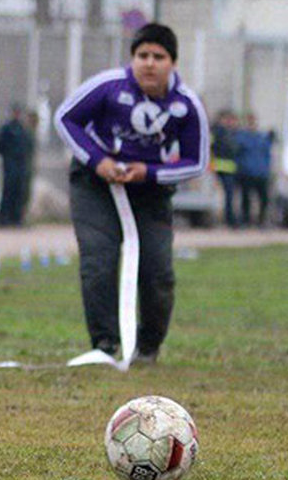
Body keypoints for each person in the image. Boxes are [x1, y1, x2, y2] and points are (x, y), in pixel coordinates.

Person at [54, 23, 208, 365]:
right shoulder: (109, 87)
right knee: (99, 260)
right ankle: (105, 345)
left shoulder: (186, 105)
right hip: (95, 185)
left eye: (158, 56)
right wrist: (98, 161)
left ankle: (148, 347)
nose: (149, 63)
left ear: (172, 63)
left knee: (158, 271)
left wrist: (149, 172)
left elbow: (196, 161)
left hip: (150, 192)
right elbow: (65, 119)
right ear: (132, 59)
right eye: (142, 55)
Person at [0, 104, 34, 227]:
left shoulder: (23, 129)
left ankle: (16, 219)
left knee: (19, 193)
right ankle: (4, 219)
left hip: (21, 166)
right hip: (10, 166)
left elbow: (28, 148)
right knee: (8, 192)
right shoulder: (7, 128)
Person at [236, 113, 273, 228]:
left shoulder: (261, 137)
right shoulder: (242, 137)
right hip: (247, 172)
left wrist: (267, 169)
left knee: (264, 199)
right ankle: (245, 220)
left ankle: (261, 220)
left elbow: (267, 154)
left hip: (261, 173)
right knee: (246, 198)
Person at [210, 110, 240, 228]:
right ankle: (226, 219)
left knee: (228, 196)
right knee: (225, 195)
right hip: (219, 168)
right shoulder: (220, 132)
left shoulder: (230, 133)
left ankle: (228, 219)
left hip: (227, 168)